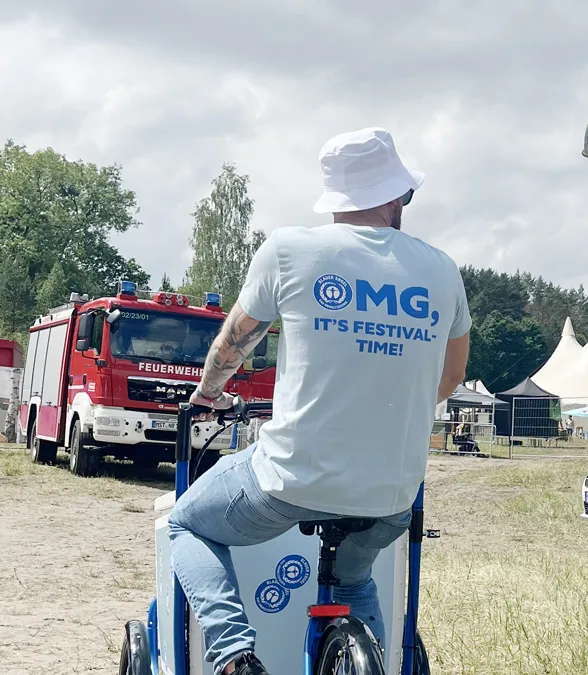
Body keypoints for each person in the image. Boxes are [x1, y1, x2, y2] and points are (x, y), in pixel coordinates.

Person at [166, 127, 471, 675]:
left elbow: (233, 343)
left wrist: (208, 394)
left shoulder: (290, 250)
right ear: (391, 196)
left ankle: (235, 656)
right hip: (390, 493)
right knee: (354, 579)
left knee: (186, 523)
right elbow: (449, 377)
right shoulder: (442, 270)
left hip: (291, 482)